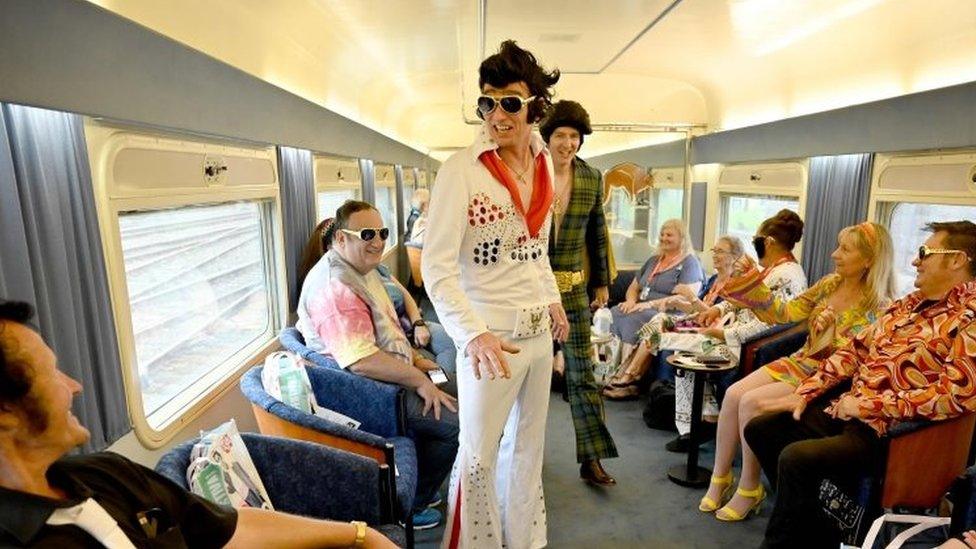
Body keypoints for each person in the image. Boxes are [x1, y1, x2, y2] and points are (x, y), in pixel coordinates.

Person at [0, 300, 396, 549]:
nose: (75, 386)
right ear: (6, 412)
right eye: (52, 375)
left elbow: (225, 529)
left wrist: (358, 535)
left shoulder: (107, 475)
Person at [745, 220, 976, 548]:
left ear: (956, 260)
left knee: (797, 459)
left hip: (894, 435)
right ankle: (817, 529)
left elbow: (957, 395)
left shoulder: (969, 319)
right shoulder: (907, 305)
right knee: (762, 429)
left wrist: (866, 405)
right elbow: (855, 349)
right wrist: (805, 392)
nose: (915, 261)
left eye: (925, 252)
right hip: (849, 411)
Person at [422, 40, 568, 549]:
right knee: (479, 455)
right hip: (489, 341)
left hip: (536, 336)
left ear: (534, 106)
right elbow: (437, 271)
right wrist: (473, 335)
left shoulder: (546, 163)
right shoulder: (461, 170)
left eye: (509, 102)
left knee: (528, 449)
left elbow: (538, 251)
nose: (497, 114)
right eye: (487, 102)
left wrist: (553, 300)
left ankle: (523, 541)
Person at [699, 219, 895, 523]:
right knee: (735, 394)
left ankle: (749, 487)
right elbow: (786, 313)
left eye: (845, 249)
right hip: (801, 360)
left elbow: (859, 359)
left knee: (751, 403)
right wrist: (754, 284)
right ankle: (719, 477)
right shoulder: (831, 283)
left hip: (827, 377)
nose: (834, 254)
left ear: (869, 260)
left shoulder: (881, 307)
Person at [296, 201, 459, 530]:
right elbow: (362, 361)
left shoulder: (362, 270)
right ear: (341, 239)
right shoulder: (336, 288)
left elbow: (388, 330)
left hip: (393, 375)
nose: (378, 241)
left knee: (452, 384)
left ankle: (423, 479)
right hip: (369, 393)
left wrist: (417, 359)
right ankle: (412, 506)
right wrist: (417, 379)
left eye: (382, 232)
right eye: (366, 234)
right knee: (454, 424)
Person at [539, 100, 618, 486]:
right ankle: (519, 454)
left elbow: (597, 232)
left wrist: (601, 281)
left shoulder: (591, 177)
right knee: (529, 376)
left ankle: (592, 458)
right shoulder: (529, 173)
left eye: (575, 136)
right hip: (531, 292)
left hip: (571, 291)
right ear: (547, 138)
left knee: (583, 376)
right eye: (561, 136)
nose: (568, 143)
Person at [299, 217, 457, 374]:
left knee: (454, 344)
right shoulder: (335, 289)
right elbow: (364, 352)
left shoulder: (375, 268)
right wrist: (416, 360)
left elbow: (404, 294)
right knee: (447, 373)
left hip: (410, 324)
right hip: (393, 341)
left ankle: (449, 383)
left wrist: (418, 324)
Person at [602, 218, 705, 396]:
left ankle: (628, 378)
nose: (664, 238)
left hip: (670, 313)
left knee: (634, 318)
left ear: (682, 238)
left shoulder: (689, 263)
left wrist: (648, 304)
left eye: (669, 235)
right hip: (641, 307)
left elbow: (687, 297)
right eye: (662, 234)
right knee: (615, 312)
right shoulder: (654, 260)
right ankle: (606, 372)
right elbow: (634, 287)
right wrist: (631, 302)